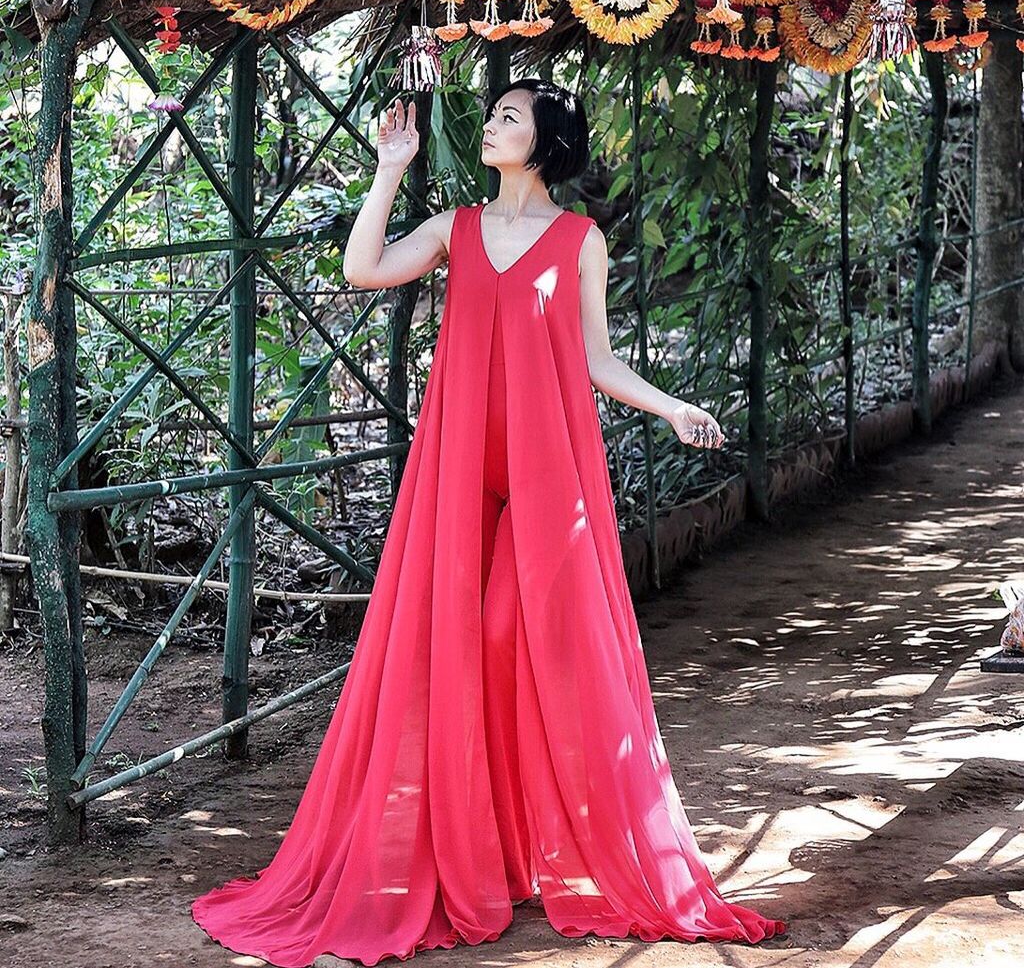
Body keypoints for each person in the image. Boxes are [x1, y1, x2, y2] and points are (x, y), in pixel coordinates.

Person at [191, 79, 787, 967]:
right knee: (452, 641)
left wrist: (670, 407)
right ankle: (476, 853)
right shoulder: (456, 228)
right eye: (496, 112)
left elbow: (598, 359)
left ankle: (526, 845)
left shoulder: (581, 239)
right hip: (459, 458)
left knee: (518, 629)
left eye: (511, 116)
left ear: (544, 144)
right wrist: (390, 169)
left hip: (549, 465)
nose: (494, 124)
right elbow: (363, 267)